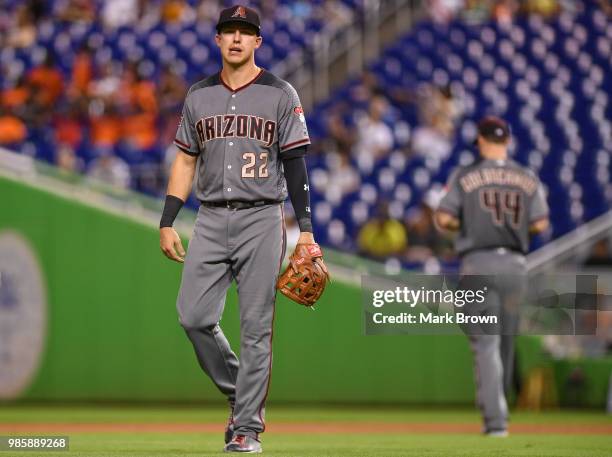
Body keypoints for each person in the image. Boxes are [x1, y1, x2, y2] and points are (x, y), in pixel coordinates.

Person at [158, 5, 316, 453]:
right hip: (209, 217)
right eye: (228, 31)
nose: (236, 38)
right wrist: (168, 220)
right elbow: (186, 159)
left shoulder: (280, 93)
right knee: (193, 316)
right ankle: (238, 391)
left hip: (262, 218)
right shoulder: (199, 95)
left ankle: (247, 427)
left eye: (245, 33)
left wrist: (306, 230)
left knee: (255, 329)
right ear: (217, 40)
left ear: (257, 42)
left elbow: (296, 162)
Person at [434, 116, 550, 436]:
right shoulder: (526, 176)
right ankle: (500, 407)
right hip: (515, 265)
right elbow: (540, 223)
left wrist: (469, 224)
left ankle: (496, 421)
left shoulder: (466, 174)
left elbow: (443, 218)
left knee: (485, 343)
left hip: (479, 262)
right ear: (507, 142)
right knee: (506, 344)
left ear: (482, 140)